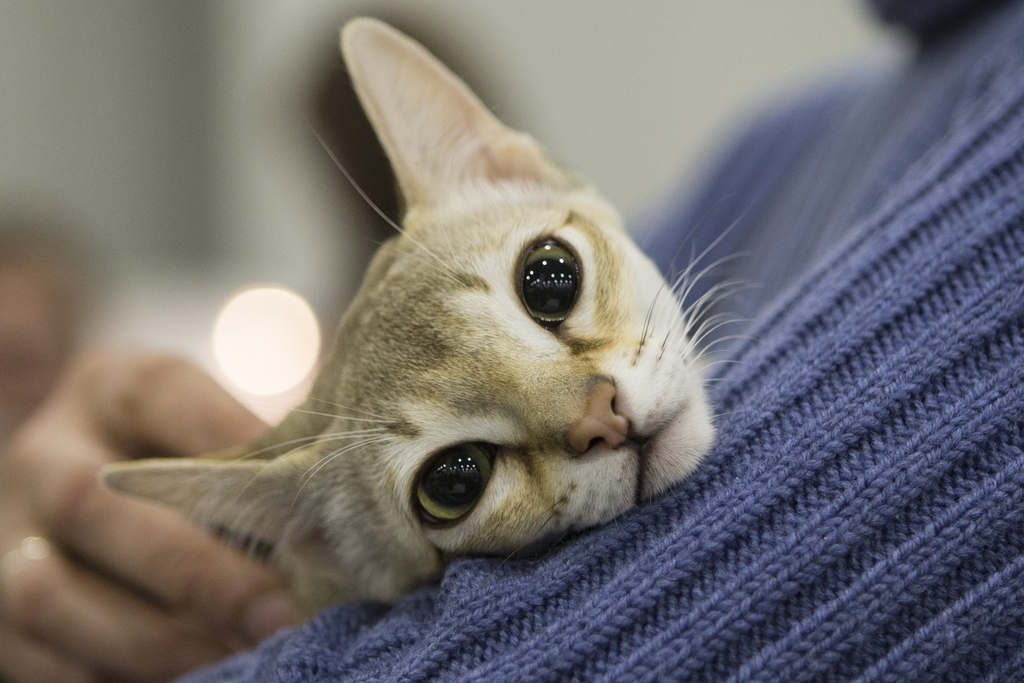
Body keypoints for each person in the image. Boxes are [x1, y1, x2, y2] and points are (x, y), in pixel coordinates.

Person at [4, 0, 1024, 680]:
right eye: (451, 476)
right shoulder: (792, 134)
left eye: (547, 283)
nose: (593, 415)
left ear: (507, 164)